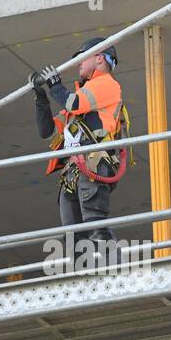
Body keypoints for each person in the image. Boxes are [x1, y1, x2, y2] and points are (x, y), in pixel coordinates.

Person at [31, 38, 130, 256]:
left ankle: (117, 272)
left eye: (82, 57)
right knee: (73, 237)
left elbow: (73, 103)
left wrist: (55, 85)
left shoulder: (106, 84)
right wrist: (41, 98)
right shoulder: (81, 102)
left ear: (99, 58)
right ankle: (84, 280)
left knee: (94, 224)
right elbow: (46, 130)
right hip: (73, 173)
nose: (78, 63)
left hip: (93, 165)